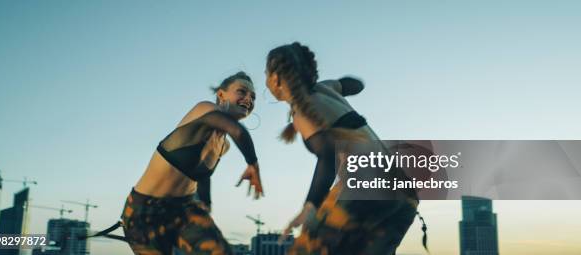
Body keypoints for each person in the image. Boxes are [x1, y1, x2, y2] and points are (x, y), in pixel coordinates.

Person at [265, 42, 420, 255]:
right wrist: (340, 85)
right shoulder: (326, 88)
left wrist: (310, 206)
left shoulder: (303, 110)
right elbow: (356, 85)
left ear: (274, 78)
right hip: (404, 192)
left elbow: (327, 156)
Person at [121, 71, 263, 255]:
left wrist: (206, 203)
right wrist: (253, 164)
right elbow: (238, 131)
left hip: (185, 210)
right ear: (221, 95)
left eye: (253, 97)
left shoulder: (223, 145)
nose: (248, 99)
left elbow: (201, 176)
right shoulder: (204, 110)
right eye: (242, 92)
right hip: (144, 213)